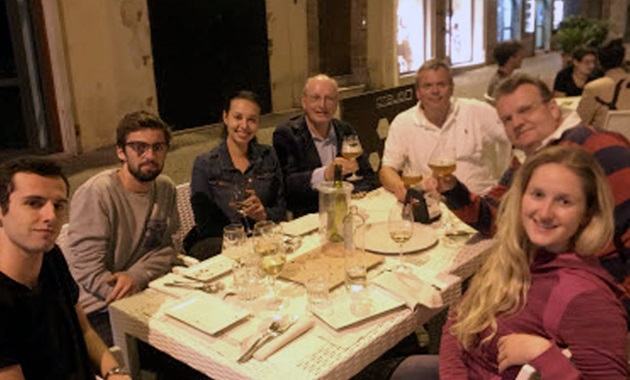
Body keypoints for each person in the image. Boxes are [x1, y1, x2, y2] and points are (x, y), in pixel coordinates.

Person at [393, 146, 628, 378]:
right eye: (537, 194)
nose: (545, 212)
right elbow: (457, 323)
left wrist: (543, 355)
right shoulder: (516, 255)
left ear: (587, 213)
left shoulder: (587, 298)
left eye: (564, 201)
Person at [427, 73, 630, 315]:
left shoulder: (599, 147)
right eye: (507, 119)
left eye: (526, 110)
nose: (517, 122)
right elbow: (495, 219)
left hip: (596, 306)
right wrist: (452, 189)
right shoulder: (526, 162)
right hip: (550, 293)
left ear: (553, 109)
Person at [0, 157, 130, 379]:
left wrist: (114, 372)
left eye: (58, 205)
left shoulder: (50, 255)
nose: (51, 216)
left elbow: (84, 331)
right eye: (34, 203)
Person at [66, 110, 179, 346]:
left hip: (150, 291)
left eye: (158, 147)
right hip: (100, 309)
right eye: (139, 147)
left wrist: (136, 276)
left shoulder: (165, 187)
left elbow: (167, 249)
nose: (150, 155)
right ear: (121, 151)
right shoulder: (98, 193)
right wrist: (128, 297)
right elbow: (87, 270)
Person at [379, 58, 512, 201]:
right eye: (427, 86)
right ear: (418, 92)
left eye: (441, 84)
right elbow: (387, 170)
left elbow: (515, 134)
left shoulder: (476, 111)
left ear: (452, 88)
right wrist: (401, 187)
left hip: (479, 203)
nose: (435, 91)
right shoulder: (403, 122)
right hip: (434, 205)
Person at [188, 91, 286, 256]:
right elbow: (205, 224)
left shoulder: (268, 156)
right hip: (221, 247)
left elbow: (281, 209)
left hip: (263, 241)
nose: (244, 126)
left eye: (251, 120)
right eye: (238, 117)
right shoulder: (205, 164)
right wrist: (240, 239)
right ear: (225, 118)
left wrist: (263, 215)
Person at [273, 74, 378, 217]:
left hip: (347, 210)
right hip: (312, 216)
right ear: (304, 102)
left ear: (336, 103)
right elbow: (287, 185)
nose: (322, 105)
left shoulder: (345, 129)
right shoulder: (287, 134)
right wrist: (326, 174)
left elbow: (367, 175)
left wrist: (355, 190)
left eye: (329, 99)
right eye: (315, 98)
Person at [578, 38, 630, 128]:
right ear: (623, 61)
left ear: (599, 63)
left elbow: (581, 121)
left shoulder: (594, 88)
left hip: (604, 139)